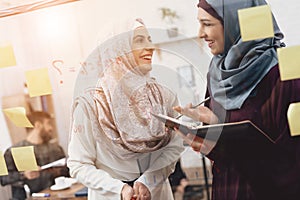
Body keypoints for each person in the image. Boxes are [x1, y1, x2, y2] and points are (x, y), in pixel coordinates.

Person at [173, 0, 300, 199]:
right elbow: (221, 150)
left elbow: (292, 159)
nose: (200, 33)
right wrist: (211, 128)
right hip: (226, 188)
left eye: (207, 24)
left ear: (235, 22)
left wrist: (224, 140)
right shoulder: (217, 74)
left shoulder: (282, 75)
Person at [67, 18, 184, 200]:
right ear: (117, 48)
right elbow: (79, 164)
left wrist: (148, 181)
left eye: (149, 39)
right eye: (139, 40)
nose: (151, 46)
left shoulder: (163, 96)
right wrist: (119, 190)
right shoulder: (90, 104)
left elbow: (174, 147)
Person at [0, 111, 69, 200]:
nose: (51, 128)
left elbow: (68, 172)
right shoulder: (13, 151)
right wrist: (24, 175)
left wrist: (56, 172)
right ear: (38, 125)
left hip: (56, 197)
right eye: (48, 124)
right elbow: (3, 179)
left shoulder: (56, 149)